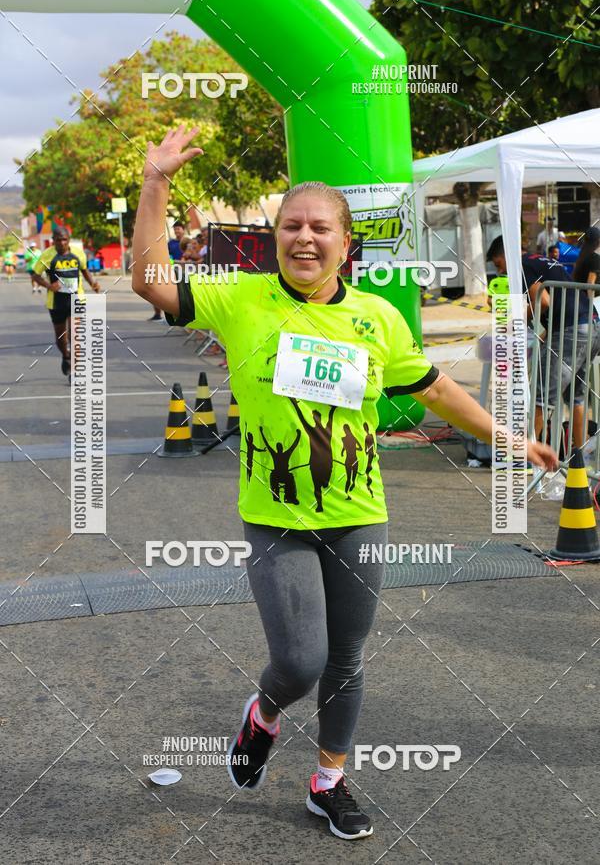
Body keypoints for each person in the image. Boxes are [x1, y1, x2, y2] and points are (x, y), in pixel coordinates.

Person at [132, 126, 557, 842]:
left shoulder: (377, 318)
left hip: (359, 513)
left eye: (320, 226)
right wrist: (155, 183)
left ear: (345, 241)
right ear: (274, 238)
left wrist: (511, 440)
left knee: (349, 659)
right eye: (291, 225)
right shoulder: (240, 300)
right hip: (276, 515)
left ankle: (328, 781)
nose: (305, 237)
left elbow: (438, 391)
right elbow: (148, 279)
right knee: (300, 662)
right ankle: (264, 713)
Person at [488, 235, 600, 450]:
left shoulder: (522, 266)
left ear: (505, 255)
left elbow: (544, 301)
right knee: (576, 397)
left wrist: (516, 323)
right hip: (592, 325)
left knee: (541, 395)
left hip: (573, 330)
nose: (501, 271)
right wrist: (547, 333)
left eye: (499, 264)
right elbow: (561, 300)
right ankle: (580, 455)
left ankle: (524, 455)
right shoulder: (540, 259)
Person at [31, 227, 100, 380]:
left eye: (65, 239)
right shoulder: (47, 255)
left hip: (77, 299)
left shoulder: (78, 253)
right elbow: (35, 275)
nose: (62, 243)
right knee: (61, 338)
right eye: (58, 240)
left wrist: (93, 283)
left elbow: (84, 270)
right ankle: (66, 356)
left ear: (68, 239)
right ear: (53, 240)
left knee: (75, 335)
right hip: (56, 302)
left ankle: (75, 371)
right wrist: (49, 286)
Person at [572, 226, 600, 295]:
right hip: (592, 301)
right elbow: (590, 284)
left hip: (579, 299)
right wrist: (591, 304)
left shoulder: (581, 257)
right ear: (598, 241)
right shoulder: (595, 259)